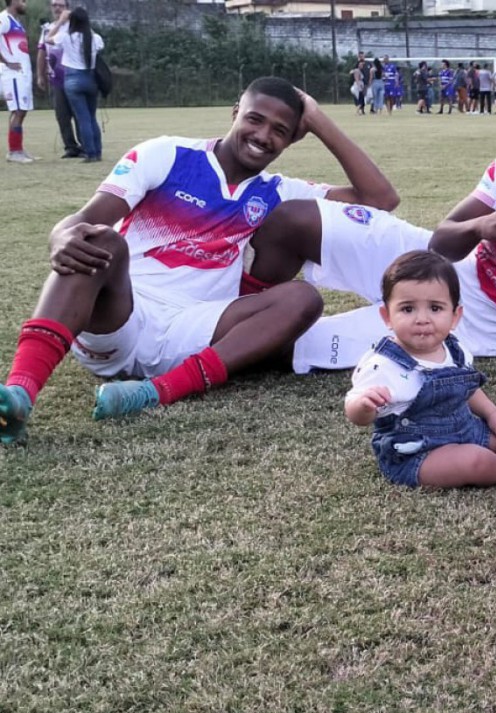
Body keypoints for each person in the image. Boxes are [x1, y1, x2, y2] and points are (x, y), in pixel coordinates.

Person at [0, 77, 399, 444]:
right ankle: (19, 393)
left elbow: (379, 201)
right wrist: (60, 235)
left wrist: (317, 119)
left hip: (195, 329)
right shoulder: (166, 154)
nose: (263, 136)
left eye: (280, 130)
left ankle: (153, 392)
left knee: (303, 299)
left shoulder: (279, 191)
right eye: (254, 120)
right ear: (234, 113)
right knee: (100, 241)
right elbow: (84, 220)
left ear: (293, 139)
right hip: (121, 313)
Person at [251, 108, 496, 398]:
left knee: (281, 346)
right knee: (296, 220)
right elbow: (442, 243)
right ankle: (220, 312)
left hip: (470, 326)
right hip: (435, 262)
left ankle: (219, 344)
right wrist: (482, 226)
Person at [344, 252, 496, 489]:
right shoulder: (383, 364)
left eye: (435, 308)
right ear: (387, 316)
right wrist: (363, 406)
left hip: (465, 431)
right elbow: (354, 410)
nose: (422, 319)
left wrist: (493, 415)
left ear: (454, 316)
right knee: (474, 461)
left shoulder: (455, 350)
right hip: (417, 453)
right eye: (408, 309)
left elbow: (466, 389)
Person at [47, 6, 102, 162]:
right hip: (90, 78)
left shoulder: (66, 36)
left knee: (82, 118)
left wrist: (60, 22)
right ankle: (97, 151)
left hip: (73, 78)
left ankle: (90, 153)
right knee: (91, 118)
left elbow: (48, 39)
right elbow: (99, 46)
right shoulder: (94, 38)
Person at [36, 0, 81, 159]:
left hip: (75, 77)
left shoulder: (75, 27)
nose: (57, 8)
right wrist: (40, 75)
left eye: (60, 5)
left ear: (67, 8)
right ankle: (70, 147)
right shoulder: (47, 29)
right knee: (62, 115)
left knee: (79, 113)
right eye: (54, 5)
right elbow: (42, 52)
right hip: (56, 79)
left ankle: (85, 145)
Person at [1, 0, 35, 163]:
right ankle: (14, 151)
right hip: (12, 73)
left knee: (21, 110)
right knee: (18, 110)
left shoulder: (16, 22)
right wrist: (6, 61)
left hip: (22, 73)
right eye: (22, 0)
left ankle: (17, 148)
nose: (25, 3)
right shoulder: (4, 19)